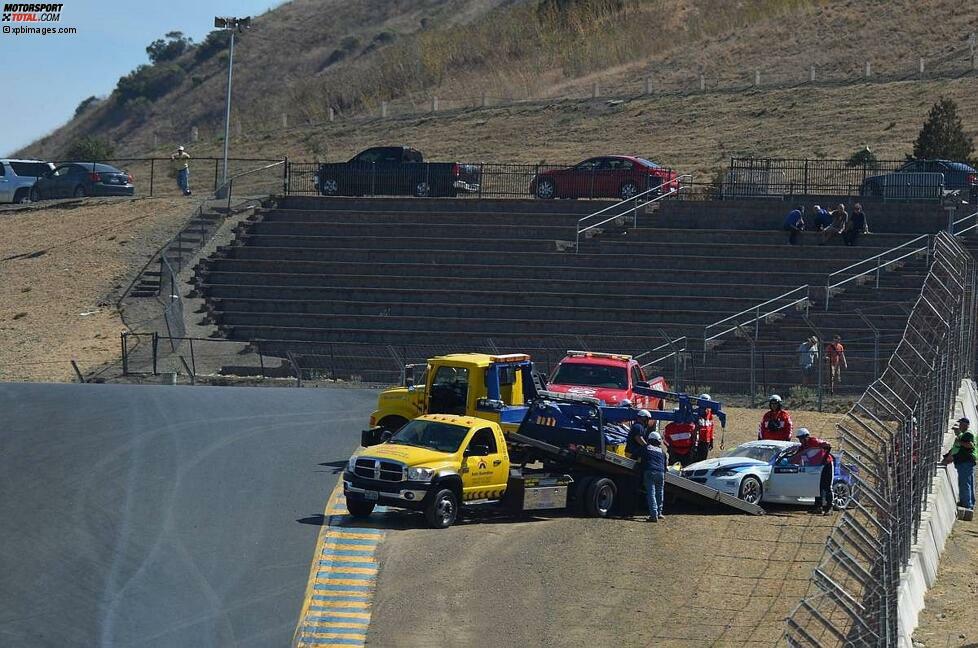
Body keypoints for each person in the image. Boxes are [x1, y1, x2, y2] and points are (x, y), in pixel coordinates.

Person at [791, 428, 834, 514]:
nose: (801, 440)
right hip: (816, 466)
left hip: (826, 465)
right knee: (817, 486)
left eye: (802, 438)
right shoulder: (802, 447)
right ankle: (818, 507)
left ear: (807, 437)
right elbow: (796, 457)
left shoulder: (814, 441)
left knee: (827, 486)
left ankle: (829, 507)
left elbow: (828, 445)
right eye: (799, 438)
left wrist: (824, 458)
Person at [948, 418, 976, 510]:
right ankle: (968, 501)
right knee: (967, 482)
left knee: (965, 483)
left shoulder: (967, 434)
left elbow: (970, 445)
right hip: (965, 461)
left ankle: (967, 503)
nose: (959, 426)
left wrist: (959, 442)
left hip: (965, 462)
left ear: (965, 424)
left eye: (961, 424)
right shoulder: (964, 434)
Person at [640, 430, 667, 522]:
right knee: (660, 492)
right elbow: (665, 464)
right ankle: (659, 513)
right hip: (661, 472)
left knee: (651, 493)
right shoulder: (662, 451)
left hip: (650, 471)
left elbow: (639, 457)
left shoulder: (646, 448)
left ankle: (653, 515)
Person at [692, 394, 715, 463]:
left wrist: (711, 440)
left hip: (706, 441)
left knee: (703, 461)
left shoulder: (710, 414)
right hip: (696, 442)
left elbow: (711, 428)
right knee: (694, 460)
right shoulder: (695, 413)